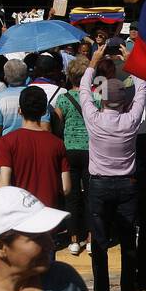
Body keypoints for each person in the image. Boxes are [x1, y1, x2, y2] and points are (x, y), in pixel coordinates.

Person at [80, 46, 146, 291]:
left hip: (98, 184)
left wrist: (94, 61)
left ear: (102, 99)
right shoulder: (131, 120)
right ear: (123, 101)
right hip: (126, 185)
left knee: (99, 243)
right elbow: (142, 90)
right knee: (127, 241)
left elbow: (84, 88)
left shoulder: (94, 118)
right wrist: (133, 61)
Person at [0, 87, 71, 211]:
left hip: (20, 213)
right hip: (48, 215)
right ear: (44, 111)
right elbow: (66, 188)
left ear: (20, 111)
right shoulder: (57, 143)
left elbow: (3, 185)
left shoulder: (7, 141)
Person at [52, 57, 92, 255]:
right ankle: (92, 237)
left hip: (69, 150)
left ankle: (74, 239)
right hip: (90, 150)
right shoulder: (95, 98)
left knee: (72, 196)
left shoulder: (63, 99)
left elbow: (57, 124)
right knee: (91, 195)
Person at [0, 59, 31, 151]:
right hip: (32, 148)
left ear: (5, 77)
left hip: (9, 150)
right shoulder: (35, 95)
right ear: (26, 76)